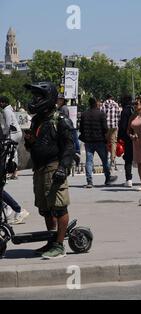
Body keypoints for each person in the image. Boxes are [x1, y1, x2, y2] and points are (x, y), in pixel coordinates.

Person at [24, 82, 75, 259]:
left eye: (39, 96)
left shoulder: (61, 120)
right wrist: (30, 142)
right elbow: (32, 147)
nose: (35, 100)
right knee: (45, 208)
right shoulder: (37, 120)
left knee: (59, 207)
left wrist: (63, 168)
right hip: (39, 168)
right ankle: (51, 241)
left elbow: (70, 147)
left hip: (54, 167)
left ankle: (60, 245)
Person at [79, 97, 118, 188]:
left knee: (89, 161)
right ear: (96, 103)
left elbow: (81, 129)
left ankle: (89, 181)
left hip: (88, 141)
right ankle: (107, 179)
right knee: (104, 160)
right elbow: (105, 128)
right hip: (100, 140)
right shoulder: (101, 114)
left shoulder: (84, 114)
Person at [0, 96, 22, 180]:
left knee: (8, 151)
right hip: (17, 133)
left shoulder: (6, 111)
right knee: (13, 152)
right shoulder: (9, 109)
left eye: (1, 102)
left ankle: (8, 172)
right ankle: (14, 172)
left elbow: (8, 125)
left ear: (4, 102)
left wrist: (4, 135)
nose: (0, 104)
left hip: (13, 133)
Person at [56, 94, 81, 167]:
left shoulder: (64, 108)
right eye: (58, 99)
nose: (58, 101)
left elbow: (65, 119)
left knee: (68, 145)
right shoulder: (60, 108)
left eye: (59, 99)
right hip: (65, 129)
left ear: (63, 100)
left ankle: (75, 156)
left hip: (67, 129)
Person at [101, 94, 121, 170]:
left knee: (105, 142)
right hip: (114, 126)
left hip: (106, 126)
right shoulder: (116, 105)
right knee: (113, 142)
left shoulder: (103, 105)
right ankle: (112, 159)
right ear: (112, 97)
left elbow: (101, 115)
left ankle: (106, 158)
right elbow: (119, 116)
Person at [118, 95, 134, 187]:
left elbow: (123, 126)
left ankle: (129, 179)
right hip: (137, 137)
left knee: (128, 159)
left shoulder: (125, 111)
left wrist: (120, 137)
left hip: (128, 138)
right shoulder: (134, 110)